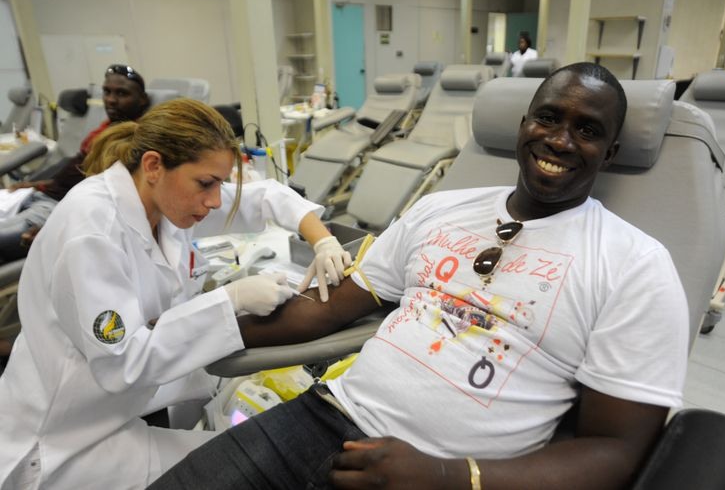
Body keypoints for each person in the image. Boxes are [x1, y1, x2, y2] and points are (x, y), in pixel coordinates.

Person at [151, 63, 689, 489]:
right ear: (524, 123)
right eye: (548, 118)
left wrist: (448, 477)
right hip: (324, 417)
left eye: (587, 130)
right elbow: (329, 307)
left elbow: (617, 450)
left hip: (446, 474)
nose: (561, 140)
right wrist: (186, 328)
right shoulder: (442, 209)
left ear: (611, 153)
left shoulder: (635, 265)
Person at [0, 98, 351, 489]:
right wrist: (229, 301)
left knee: (238, 453)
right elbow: (124, 364)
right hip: (61, 440)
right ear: (153, 165)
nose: (216, 200)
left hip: (114, 414)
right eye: (206, 183)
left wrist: (323, 242)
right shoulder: (92, 230)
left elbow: (265, 196)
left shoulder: (165, 202)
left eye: (220, 183)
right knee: (249, 471)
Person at [0, 64, 151, 263]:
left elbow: (108, 197)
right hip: (37, 197)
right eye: (107, 92)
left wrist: (60, 226)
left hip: (54, 210)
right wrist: (36, 184)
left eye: (122, 93)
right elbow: (74, 172)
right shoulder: (105, 129)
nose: (111, 100)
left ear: (142, 100)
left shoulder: (129, 141)